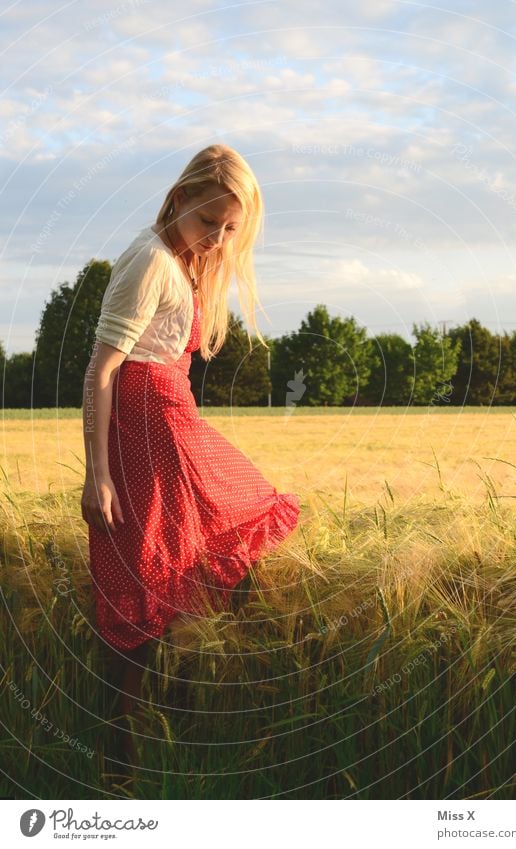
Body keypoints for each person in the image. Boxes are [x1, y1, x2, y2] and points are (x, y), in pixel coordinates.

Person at [81, 144, 301, 763]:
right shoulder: (150, 261)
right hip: (150, 435)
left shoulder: (178, 260)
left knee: (190, 548)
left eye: (230, 230)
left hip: (170, 428)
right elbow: (101, 369)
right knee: (163, 561)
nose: (216, 240)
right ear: (178, 199)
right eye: (208, 222)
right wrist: (97, 476)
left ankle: (191, 710)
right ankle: (124, 747)